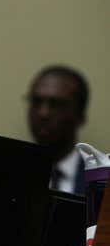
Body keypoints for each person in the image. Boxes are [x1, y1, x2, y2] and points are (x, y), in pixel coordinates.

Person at [27, 65, 89, 194]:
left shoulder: (101, 181)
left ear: (80, 115)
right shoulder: (8, 172)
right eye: (37, 101)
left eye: (56, 104)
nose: (43, 113)